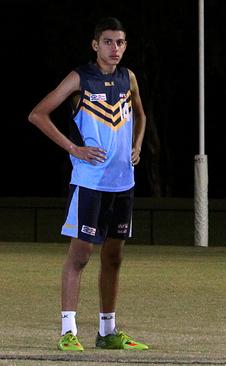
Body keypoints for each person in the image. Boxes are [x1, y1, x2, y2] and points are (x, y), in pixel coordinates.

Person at [28, 17, 148, 352]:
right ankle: (68, 331)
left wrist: (137, 144)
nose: (115, 49)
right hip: (89, 182)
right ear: (95, 45)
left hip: (123, 183)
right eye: (108, 42)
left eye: (120, 42)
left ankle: (107, 332)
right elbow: (38, 114)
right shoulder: (80, 77)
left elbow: (140, 114)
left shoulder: (128, 78)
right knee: (79, 256)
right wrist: (74, 149)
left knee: (113, 258)